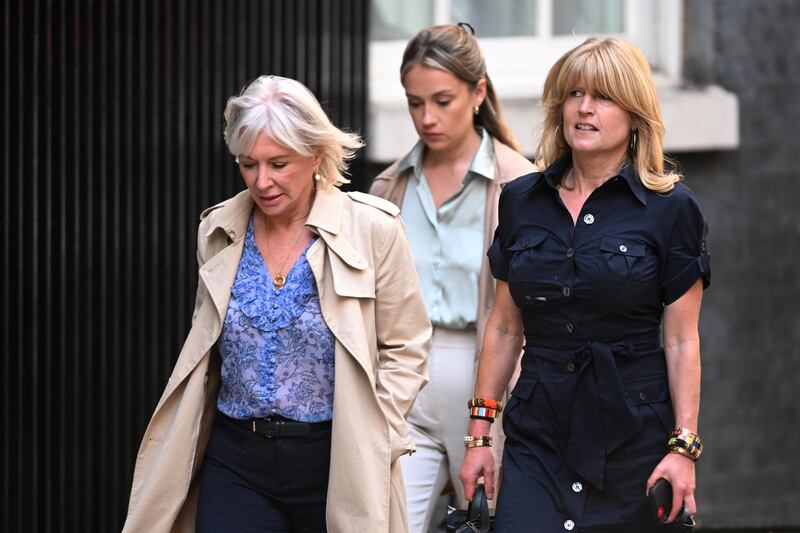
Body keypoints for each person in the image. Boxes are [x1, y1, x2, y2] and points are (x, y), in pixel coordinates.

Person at [123, 75, 431, 533]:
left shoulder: (372, 229)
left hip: (336, 461)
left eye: (278, 163)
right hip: (235, 461)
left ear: (315, 155)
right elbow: (209, 347)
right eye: (248, 164)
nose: (261, 181)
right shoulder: (218, 231)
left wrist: (374, 432)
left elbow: (406, 346)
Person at [459, 37, 711, 532]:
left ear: (635, 113)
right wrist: (479, 438)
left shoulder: (672, 210)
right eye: (574, 94)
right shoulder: (521, 201)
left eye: (603, 96)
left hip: (633, 438)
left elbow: (682, 340)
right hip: (538, 432)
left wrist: (684, 449)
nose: (584, 107)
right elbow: (506, 327)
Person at [369, 23, 535, 532]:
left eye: (442, 100)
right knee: (389, 522)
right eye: (414, 103)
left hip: (488, 376)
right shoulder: (389, 186)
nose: (427, 118)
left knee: (487, 521)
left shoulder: (521, 185)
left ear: (478, 91)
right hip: (404, 378)